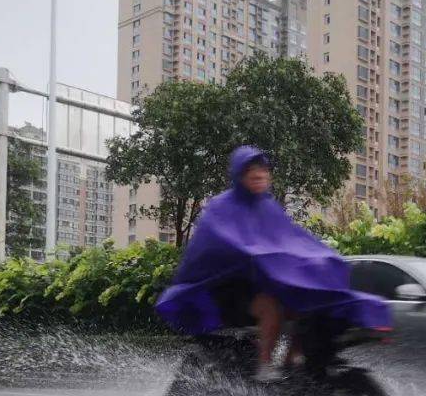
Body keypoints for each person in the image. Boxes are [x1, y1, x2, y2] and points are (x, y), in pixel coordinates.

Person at [155, 145, 390, 381]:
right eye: (250, 170)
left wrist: (324, 256)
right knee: (271, 307)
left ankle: (293, 358)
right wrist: (254, 253)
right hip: (226, 288)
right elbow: (222, 240)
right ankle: (265, 367)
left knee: (304, 302)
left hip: (259, 283)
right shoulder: (221, 206)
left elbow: (291, 239)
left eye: (263, 169)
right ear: (239, 174)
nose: (259, 174)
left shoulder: (268, 207)